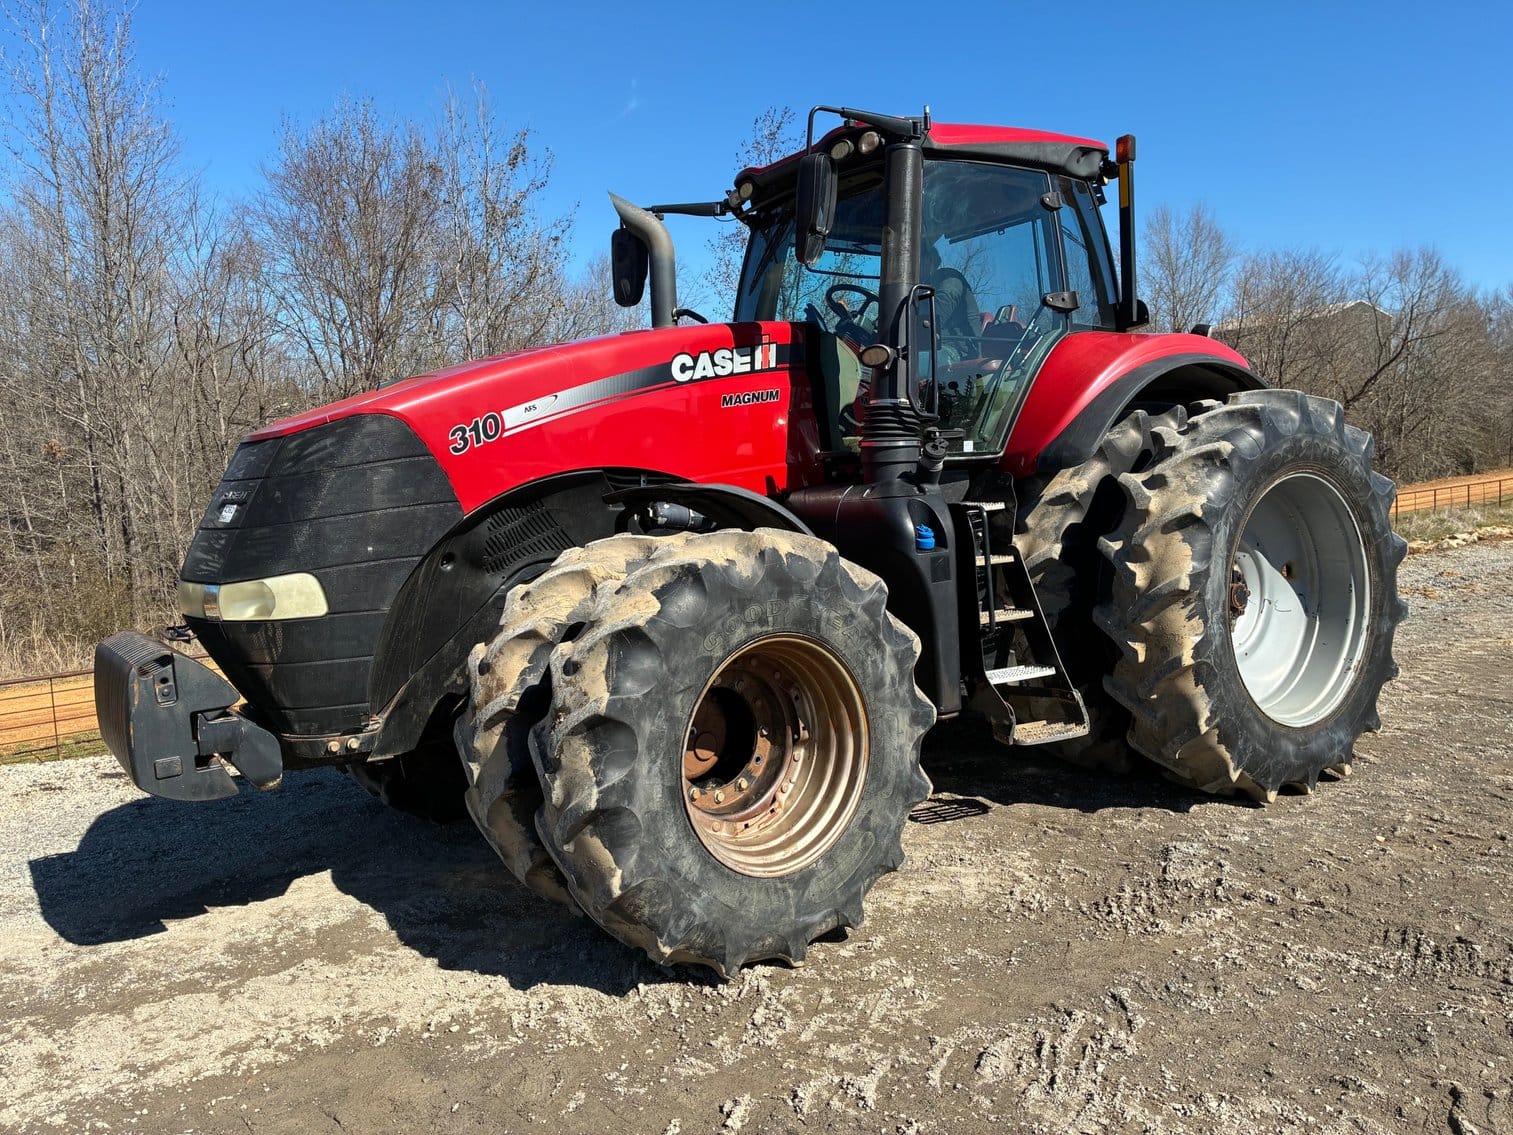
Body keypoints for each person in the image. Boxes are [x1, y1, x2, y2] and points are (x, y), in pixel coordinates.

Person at [920, 241, 981, 364]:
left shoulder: (949, 278)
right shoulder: (921, 288)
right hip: (933, 347)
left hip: (957, 350)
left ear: (927, 260)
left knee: (901, 364)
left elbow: (933, 321)